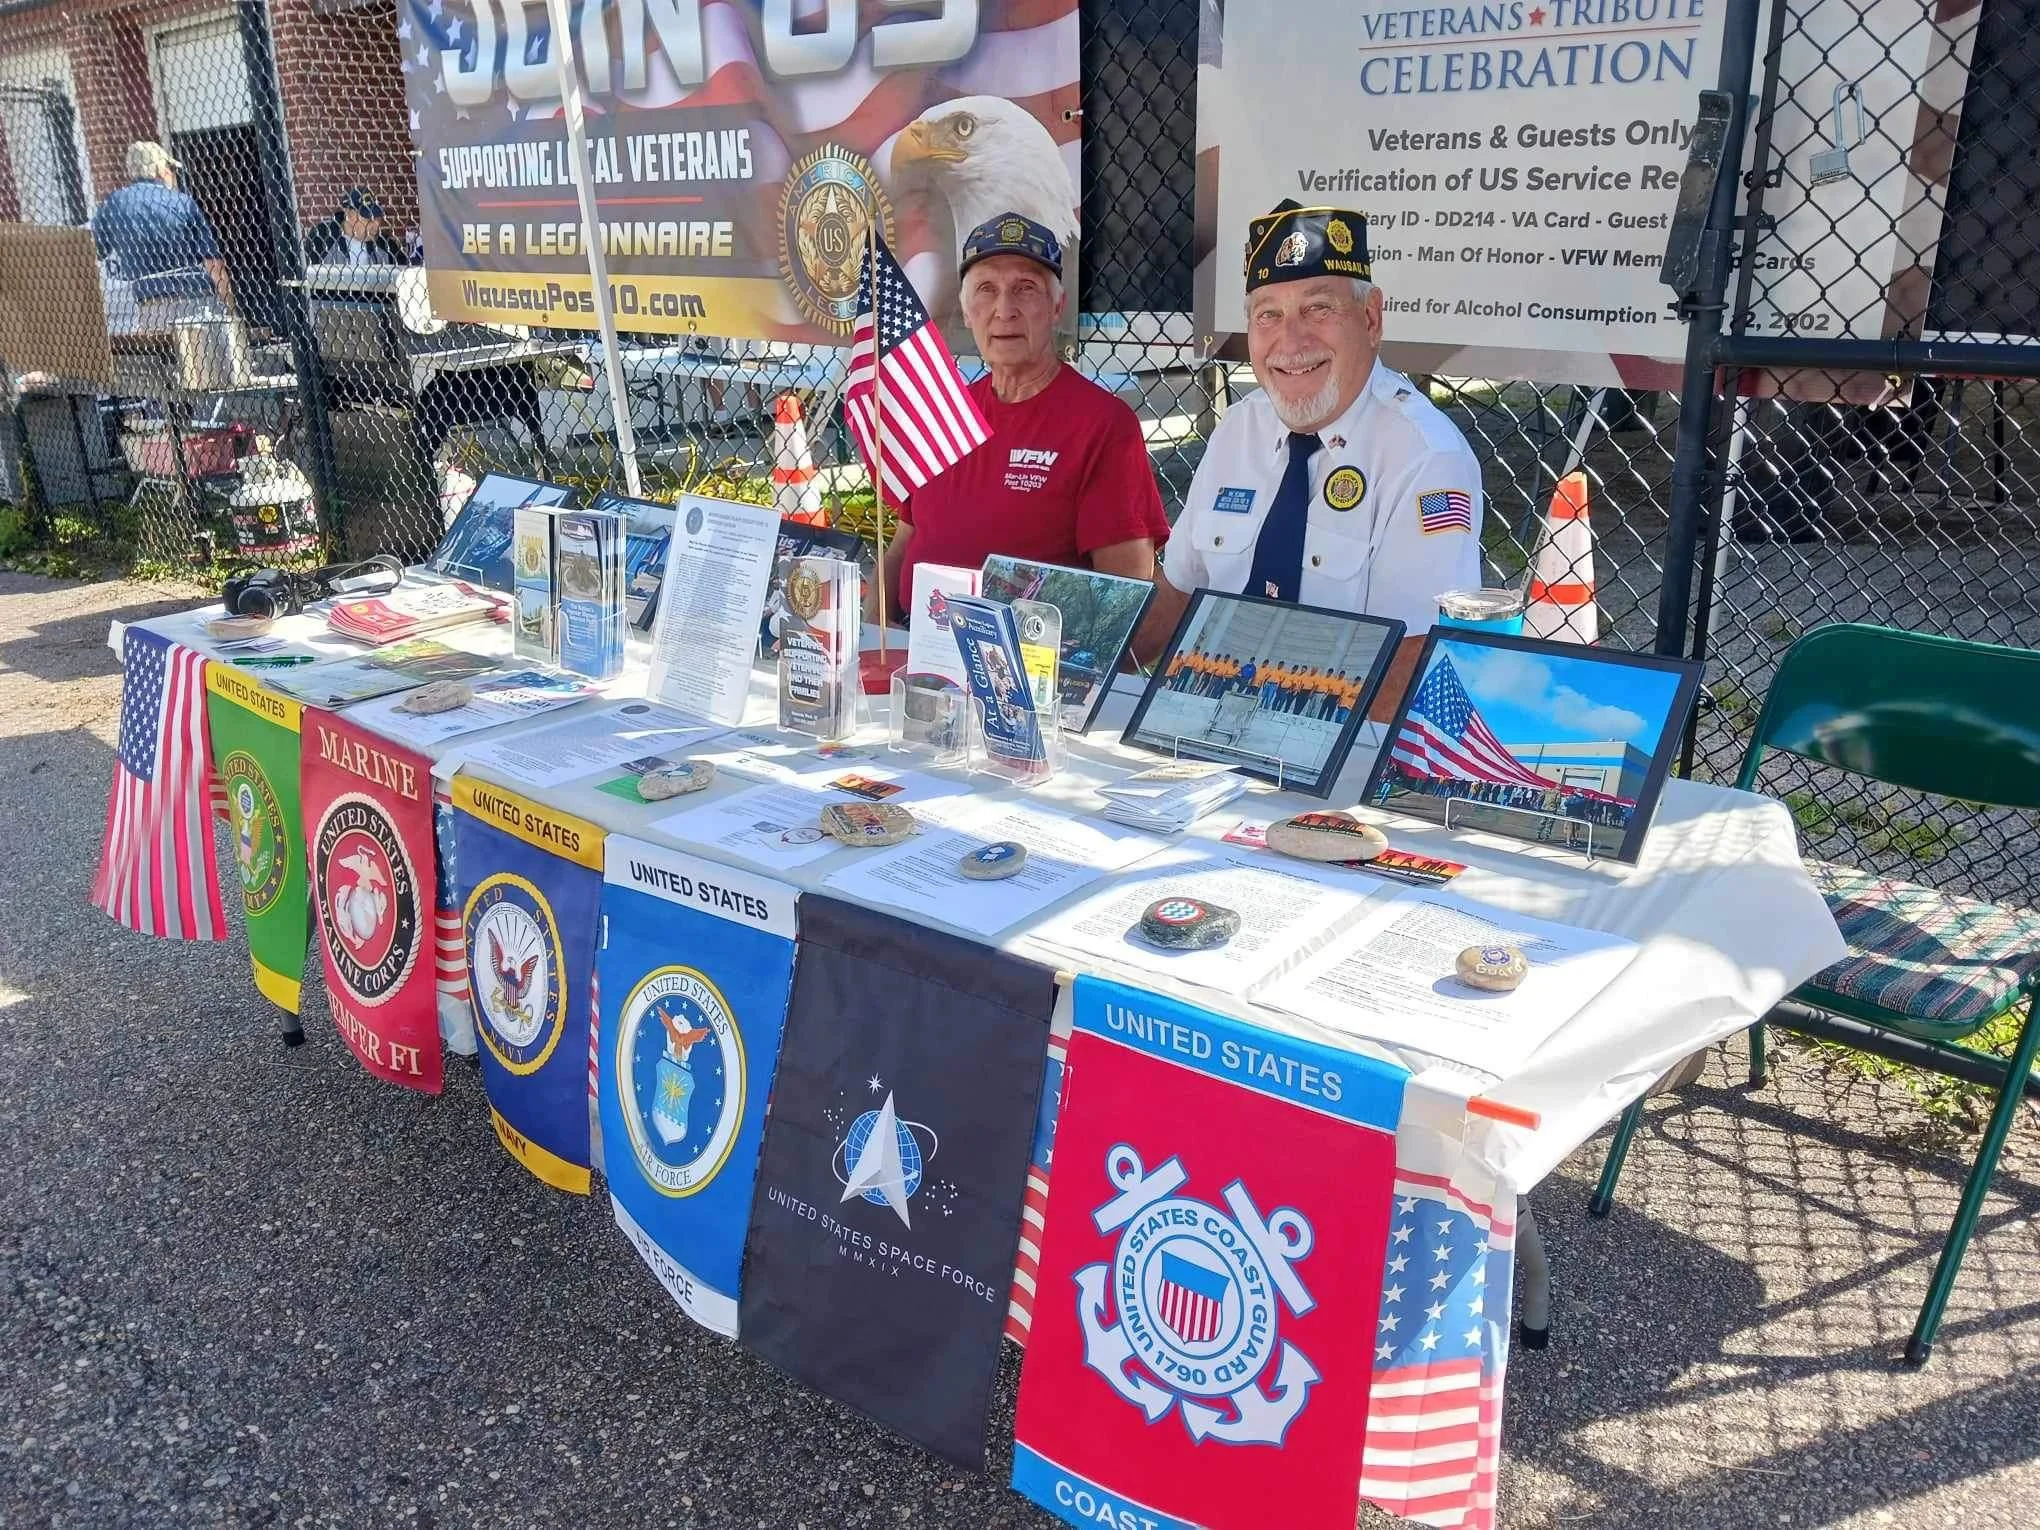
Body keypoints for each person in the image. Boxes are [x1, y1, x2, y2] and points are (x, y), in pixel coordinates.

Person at [1134, 201, 1483, 720]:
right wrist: (1083, 678)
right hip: (1202, 726)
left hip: (1335, 749)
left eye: (1318, 309)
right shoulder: (1239, 428)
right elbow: (1178, 593)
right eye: (1268, 314)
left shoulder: (1425, 457)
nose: (1291, 341)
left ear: (1370, 319)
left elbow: (1414, 662)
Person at [871, 213, 1169, 621]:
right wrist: (871, 646)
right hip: (915, 651)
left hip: (1028, 671)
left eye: (1025, 289)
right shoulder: (942, 412)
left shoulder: (1102, 426)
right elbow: (904, 543)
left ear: (1057, 307)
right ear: (966, 309)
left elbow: (1123, 601)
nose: (1004, 309)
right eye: (986, 290)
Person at [90, 141, 233, 325]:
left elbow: (95, 252)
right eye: (171, 167)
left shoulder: (114, 205)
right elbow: (213, 262)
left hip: (151, 306)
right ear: (160, 169)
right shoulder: (183, 202)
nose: (173, 174)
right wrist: (230, 307)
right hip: (197, 301)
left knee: (162, 351)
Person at [304, 187, 405, 268]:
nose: (376, 225)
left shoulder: (386, 246)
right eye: (368, 219)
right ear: (348, 213)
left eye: (378, 219)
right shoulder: (322, 237)